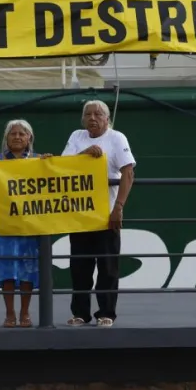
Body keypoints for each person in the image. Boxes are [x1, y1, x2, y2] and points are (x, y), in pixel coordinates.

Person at [62, 99, 135, 328]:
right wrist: (84, 153)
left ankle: (107, 313)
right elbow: (63, 165)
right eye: (88, 114)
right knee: (80, 267)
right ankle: (81, 313)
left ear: (106, 118)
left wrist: (119, 208)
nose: (92, 118)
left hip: (106, 214)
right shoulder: (77, 136)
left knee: (108, 267)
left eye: (98, 114)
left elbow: (128, 172)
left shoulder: (117, 138)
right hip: (80, 214)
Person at [0, 119, 52, 328]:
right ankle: (9, 313)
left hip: (29, 221)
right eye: (13, 134)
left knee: (27, 267)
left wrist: (50, 166)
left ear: (29, 138)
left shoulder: (39, 159)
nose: (17, 137)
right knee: (6, 267)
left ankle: (25, 313)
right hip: (2, 220)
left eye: (22, 134)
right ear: (6, 138)